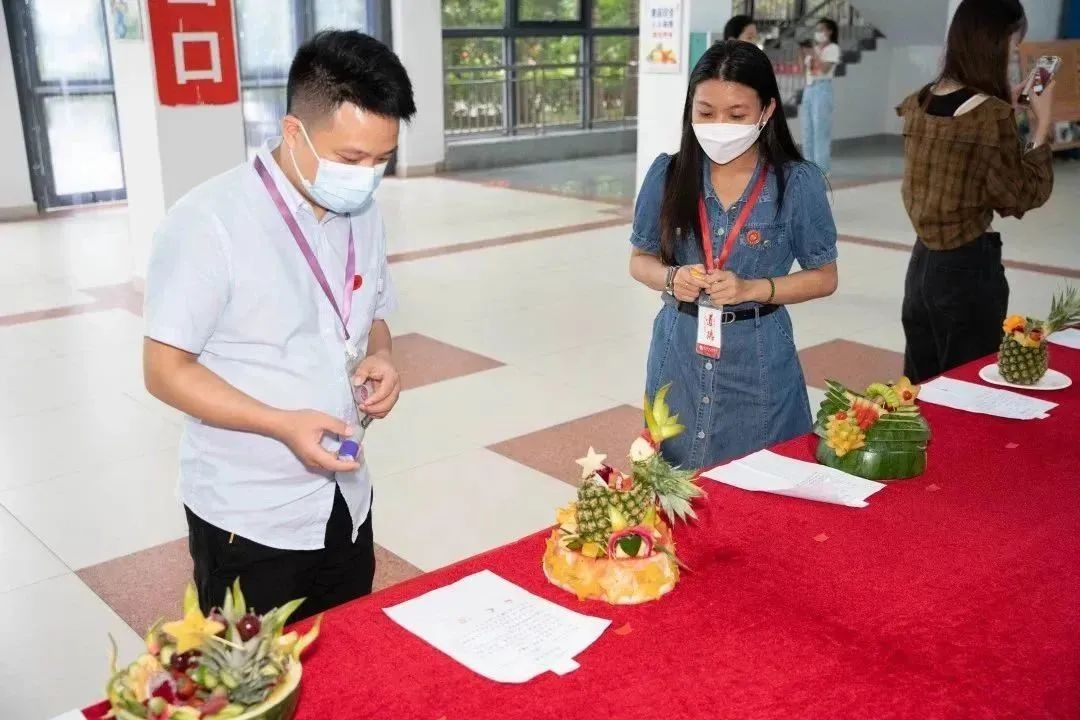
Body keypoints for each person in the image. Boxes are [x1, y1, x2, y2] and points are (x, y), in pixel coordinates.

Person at [143, 31, 415, 619]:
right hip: (250, 515)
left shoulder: (363, 213)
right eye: (351, 159)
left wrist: (383, 356)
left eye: (382, 160)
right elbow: (164, 370)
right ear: (294, 132)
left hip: (346, 499)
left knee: (348, 653)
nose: (367, 176)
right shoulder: (208, 223)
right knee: (257, 670)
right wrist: (280, 424)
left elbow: (373, 316)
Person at [629, 40, 839, 470]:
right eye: (706, 113)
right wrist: (672, 278)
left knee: (761, 479)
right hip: (679, 351)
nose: (719, 126)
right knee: (674, 481)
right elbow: (640, 260)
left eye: (737, 115)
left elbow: (824, 276)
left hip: (757, 354)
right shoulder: (668, 174)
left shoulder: (796, 183)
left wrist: (751, 288)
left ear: (766, 111)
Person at [896, 0, 1054, 384]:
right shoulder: (990, 116)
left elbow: (959, 147)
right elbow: (1020, 195)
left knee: (921, 389)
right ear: (993, 44)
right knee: (969, 390)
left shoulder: (920, 100)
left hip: (921, 267)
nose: (1015, 55)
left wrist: (1003, 105)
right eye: (1013, 45)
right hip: (967, 271)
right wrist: (1042, 124)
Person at [800, 19, 840, 175]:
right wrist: (802, 52)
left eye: (821, 29)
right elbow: (803, 70)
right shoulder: (815, 49)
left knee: (820, 129)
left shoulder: (833, 48)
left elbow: (824, 69)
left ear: (830, 31)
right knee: (807, 129)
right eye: (817, 30)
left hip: (822, 88)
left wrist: (813, 53)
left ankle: (822, 168)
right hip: (809, 88)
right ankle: (808, 166)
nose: (818, 33)